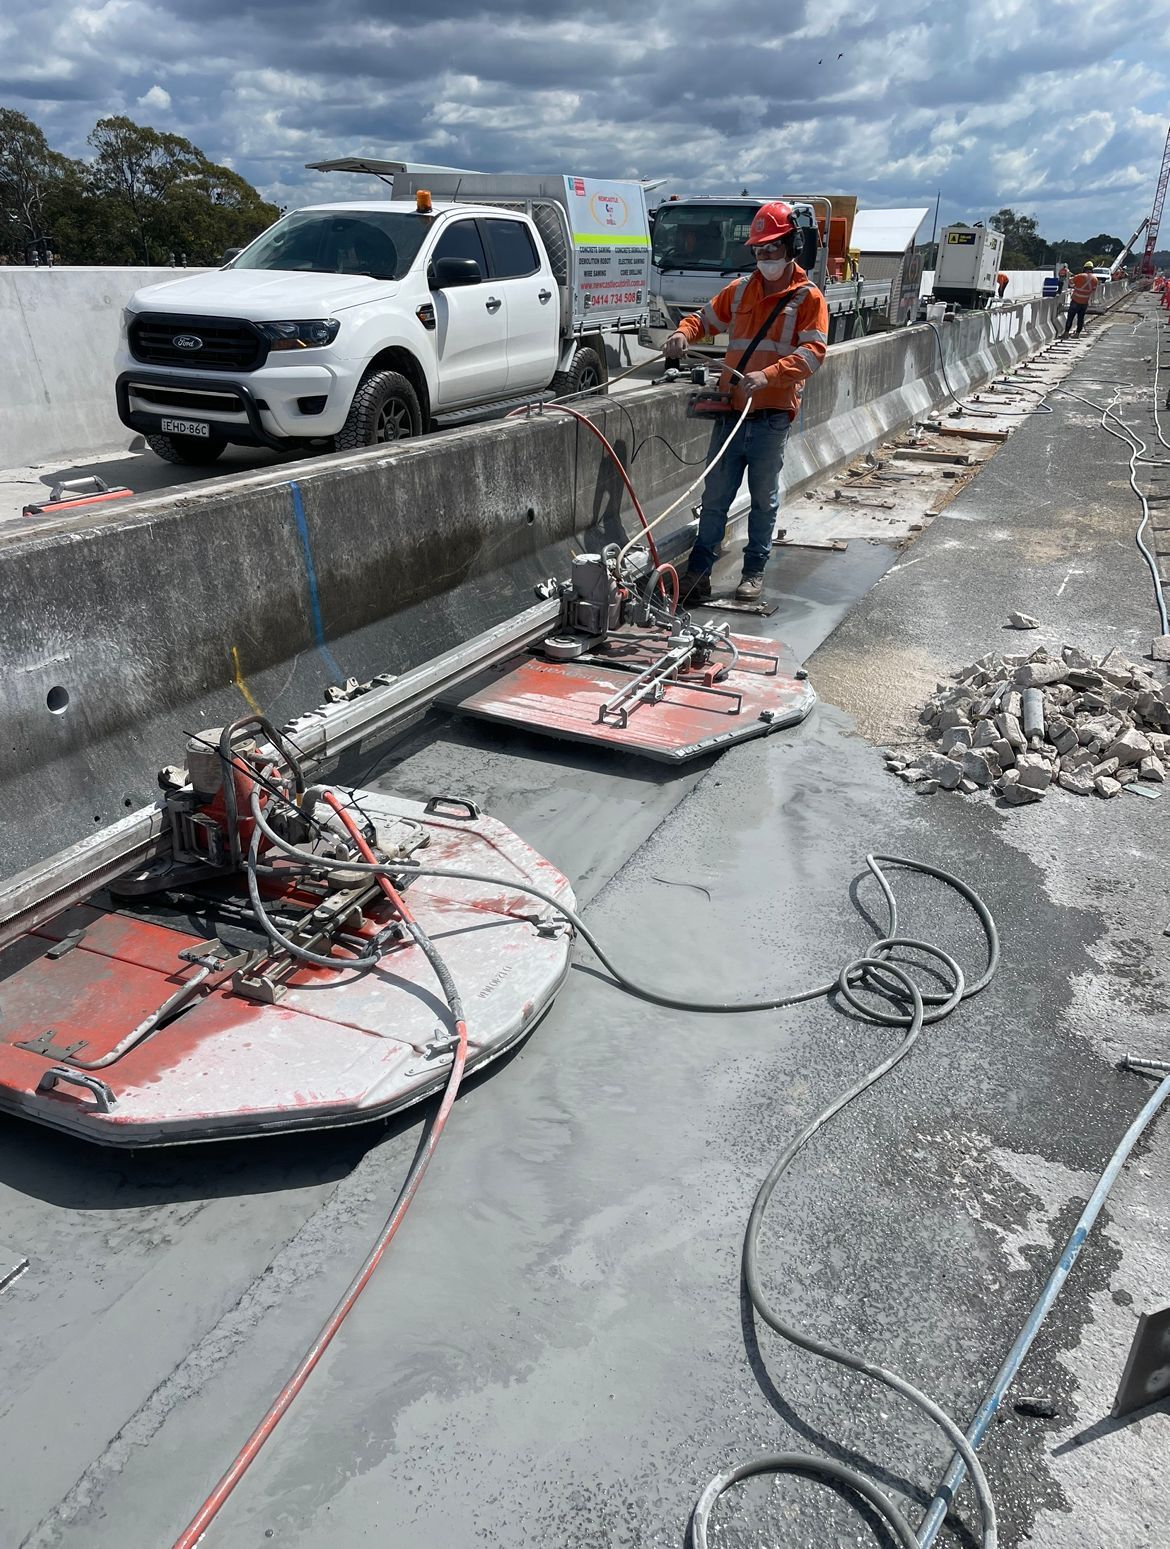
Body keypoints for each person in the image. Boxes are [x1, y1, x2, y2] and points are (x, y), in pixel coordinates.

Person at [661, 201, 829, 603]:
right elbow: (703, 319)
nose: (764, 257)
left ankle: (753, 571)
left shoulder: (808, 298)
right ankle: (700, 571)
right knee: (715, 497)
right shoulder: (739, 292)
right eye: (758, 250)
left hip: (771, 418)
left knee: (763, 499)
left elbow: (812, 355)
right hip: (732, 413)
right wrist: (684, 333)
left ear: (791, 245)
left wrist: (768, 376)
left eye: (771, 248)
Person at [1063, 262, 1098, 337]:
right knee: (1081, 318)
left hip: (1076, 300)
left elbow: (1070, 282)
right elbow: (1093, 291)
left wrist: (1071, 276)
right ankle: (1077, 334)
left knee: (1070, 317)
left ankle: (1066, 333)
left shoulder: (1080, 276)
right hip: (1085, 302)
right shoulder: (1095, 279)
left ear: (1084, 268)